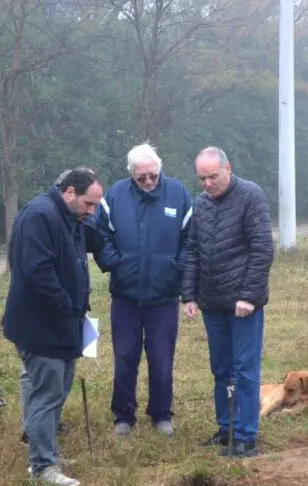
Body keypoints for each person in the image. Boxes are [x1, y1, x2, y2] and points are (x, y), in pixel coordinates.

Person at [2, 168, 103, 486]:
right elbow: (38, 272)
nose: (92, 212)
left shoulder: (70, 218)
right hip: (41, 324)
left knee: (56, 389)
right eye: (89, 204)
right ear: (70, 192)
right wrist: (66, 305)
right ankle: (43, 467)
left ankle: (47, 451)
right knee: (47, 392)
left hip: (66, 324)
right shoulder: (39, 216)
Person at [181, 146, 274, 457]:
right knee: (221, 368)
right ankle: (226, 428)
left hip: (243, 305)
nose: (208, 184)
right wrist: (189, 295)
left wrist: (249, 296)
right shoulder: (201, 205)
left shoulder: (251, 196)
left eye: (213, 176)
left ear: (228, 168)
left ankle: (246, 436)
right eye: (202, 178)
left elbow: (261, 249)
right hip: (212, 303)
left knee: (245, 368)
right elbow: (192, 251)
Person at [95, 143, 193, 437]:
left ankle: (161, 413)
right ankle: (123, 415)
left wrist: (177, 267)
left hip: (164, 296)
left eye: (153, 175)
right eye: (142, 178)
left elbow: (191, 238)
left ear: (159, 171)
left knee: (162, 359)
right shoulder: (114, 196)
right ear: (131, 175)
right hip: (125, 296)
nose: (149, 182)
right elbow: (100, 235)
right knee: (125, 357)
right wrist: (115, 263)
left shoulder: (178, 193)